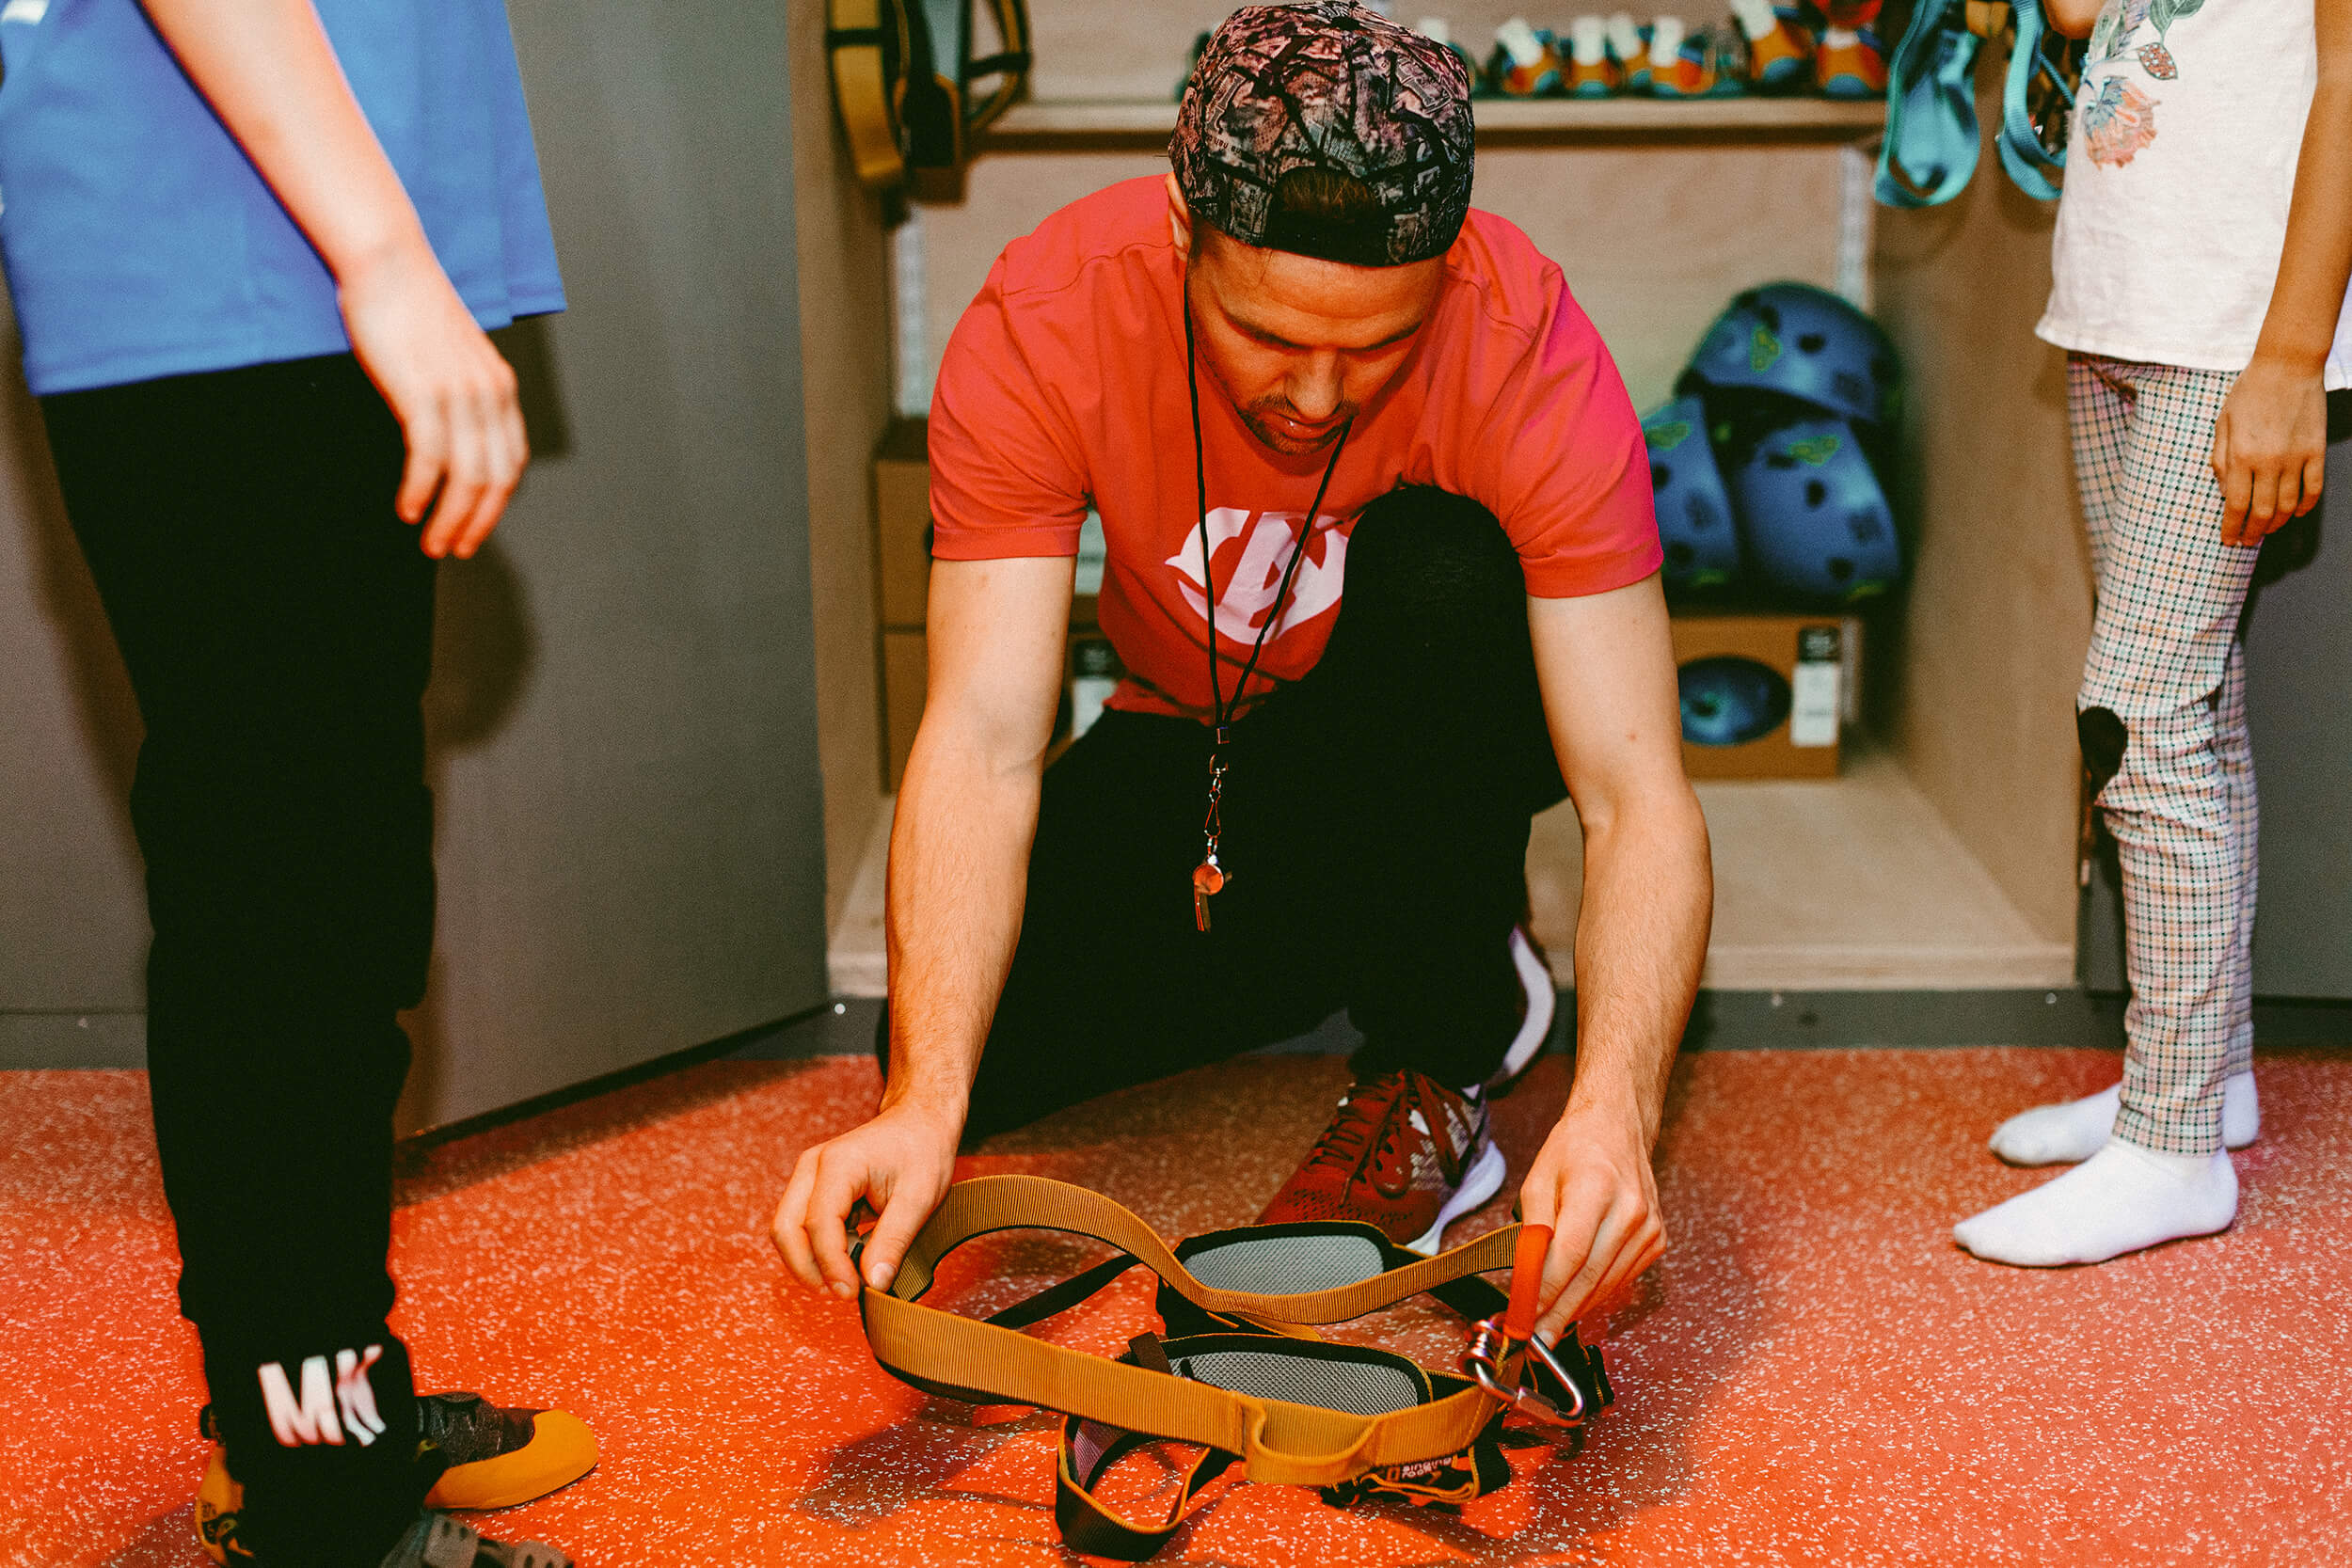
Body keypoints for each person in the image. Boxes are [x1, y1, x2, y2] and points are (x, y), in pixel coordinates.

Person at [776, 1, 1711, 1350]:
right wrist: (921, 1102)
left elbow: (1637, 796)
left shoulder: (1525, 345)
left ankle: (1442, 1029)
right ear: (1182, 231)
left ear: (1445, 270)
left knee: (1447, 567)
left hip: (1411, 722)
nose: (1318, 397)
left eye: (1375, 346)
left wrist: (1617, 1111)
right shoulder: (1047, 318)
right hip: (1194, 739)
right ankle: (1372, 924)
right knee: (967, 1055)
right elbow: (980, 735)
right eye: (1268, 335)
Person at [0, 0, 595, 1561]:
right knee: (289, 918)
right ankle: (320, 1494)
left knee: (326, 889)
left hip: (282, 257)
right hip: (245, 265)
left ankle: (318, 1404)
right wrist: (384, 259)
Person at [1954, 0, 2352, 1266]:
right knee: (2195, 708)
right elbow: (2079, 13)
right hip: (2119, 305)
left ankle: (2173, 1150)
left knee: (2137, 720)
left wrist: (2290, 357)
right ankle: (2201, 1080)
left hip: (2231, 331)